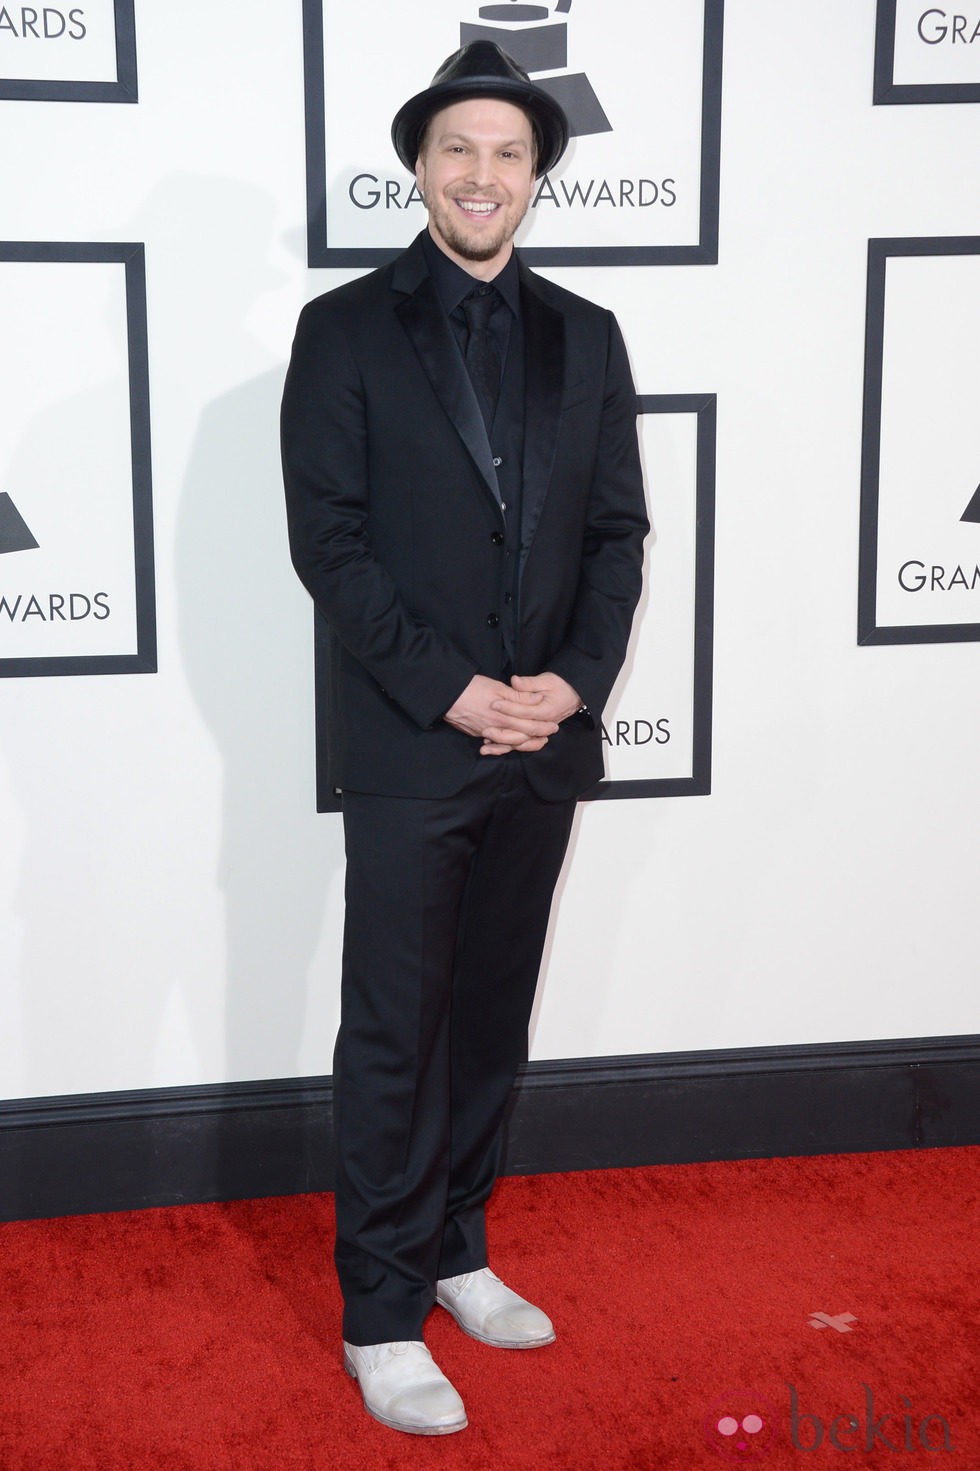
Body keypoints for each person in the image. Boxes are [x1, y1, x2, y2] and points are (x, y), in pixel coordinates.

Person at [280, 40, 648, 1437]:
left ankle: (453, 1248)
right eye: (459, 150)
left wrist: (571, 680)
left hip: (542, 743)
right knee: (395, 1026)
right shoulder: (345, 329)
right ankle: (380, 1308)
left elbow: (617, 534)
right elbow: (332, 546)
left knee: (491, 1014)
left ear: (535, 176)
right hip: (412, 741)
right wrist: (453, 690)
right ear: (420, 168)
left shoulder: (589, 334)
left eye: (508, 153)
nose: (482, 174)